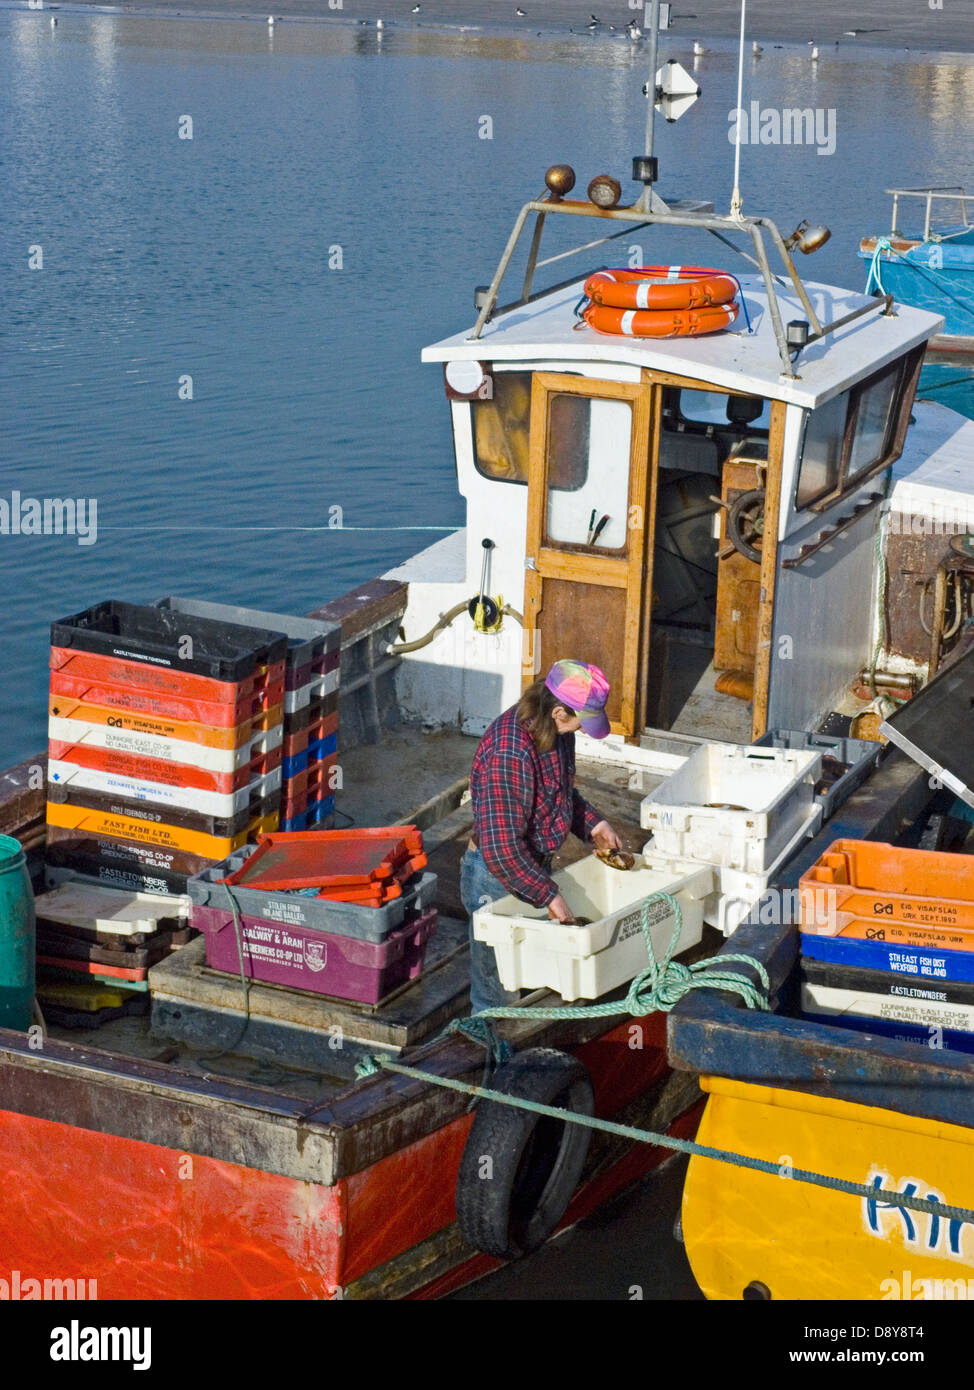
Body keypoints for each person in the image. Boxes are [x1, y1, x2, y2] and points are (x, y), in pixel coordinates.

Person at [461, 659, 623, 1015]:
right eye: (582, 722)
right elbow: (501, 848)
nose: (581, 730)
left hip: (534, 867)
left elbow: (559, 793)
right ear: (560, 712)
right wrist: (549, 895)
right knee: (498, 993)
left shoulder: (555, 732)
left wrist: (594, 824)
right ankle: (490, 1054)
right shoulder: (511, 751)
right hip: (496, 876)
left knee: (530, 974)